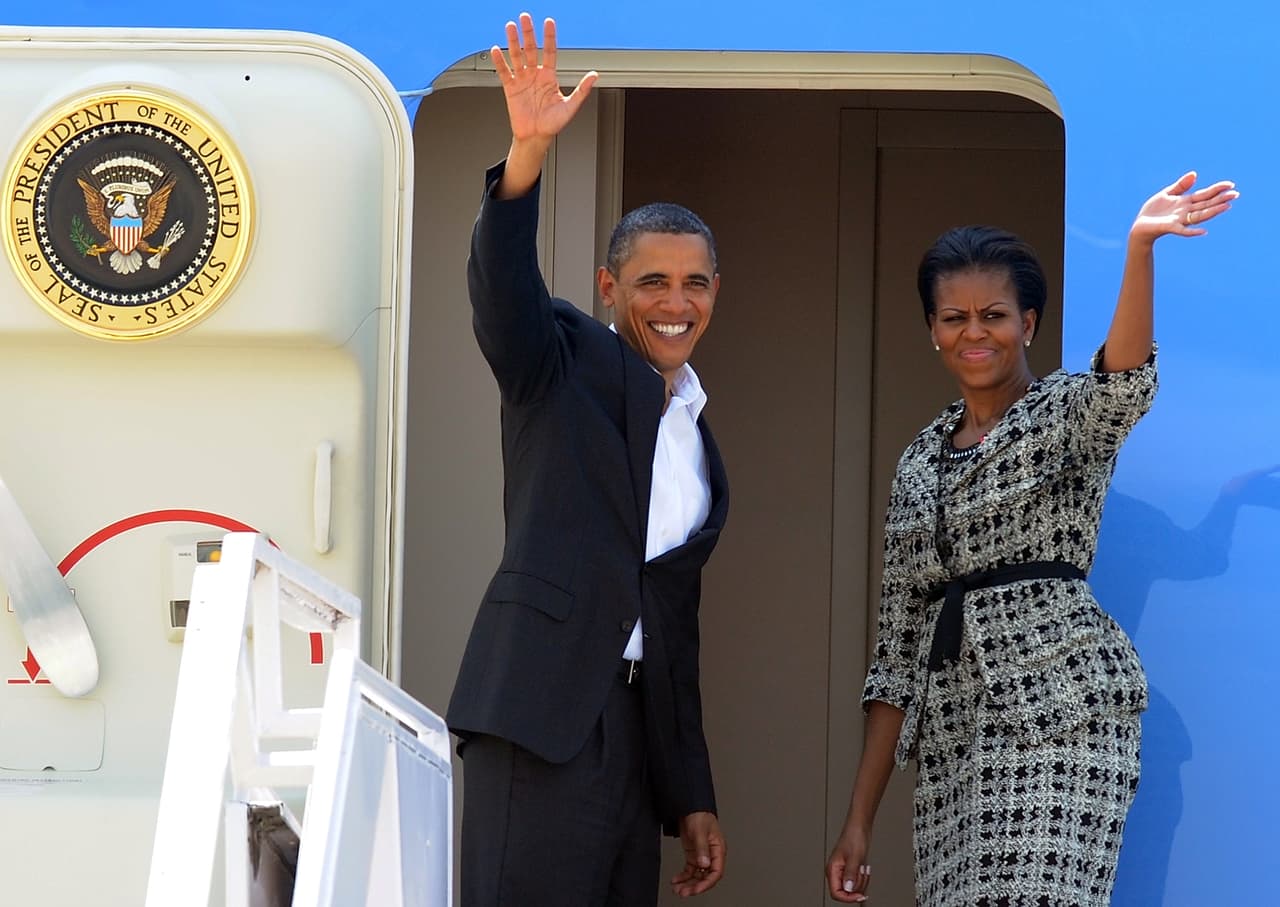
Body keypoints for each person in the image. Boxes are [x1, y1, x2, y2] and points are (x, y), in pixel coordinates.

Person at [826, 173, 1237, 905]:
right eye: (953, 317)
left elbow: (1121, 382)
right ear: (932, 329)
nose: (973, 332)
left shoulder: (1061, 416)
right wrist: (859, 819)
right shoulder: (918, 461)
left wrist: (1139, 249)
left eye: (994, 314)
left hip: (1062, 720)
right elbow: (896, 653)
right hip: (956, 744)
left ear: (1030, 324)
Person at [445, 13, 728, 907]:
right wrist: (525, 156)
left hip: (634, 742)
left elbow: (670, 623)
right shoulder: (560, 361)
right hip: (540, 717)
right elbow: (503, 293)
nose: (675, 303)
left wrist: (693, 796)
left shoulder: (698, 433)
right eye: (652, 281)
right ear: (609, 288)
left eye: (695, 283)